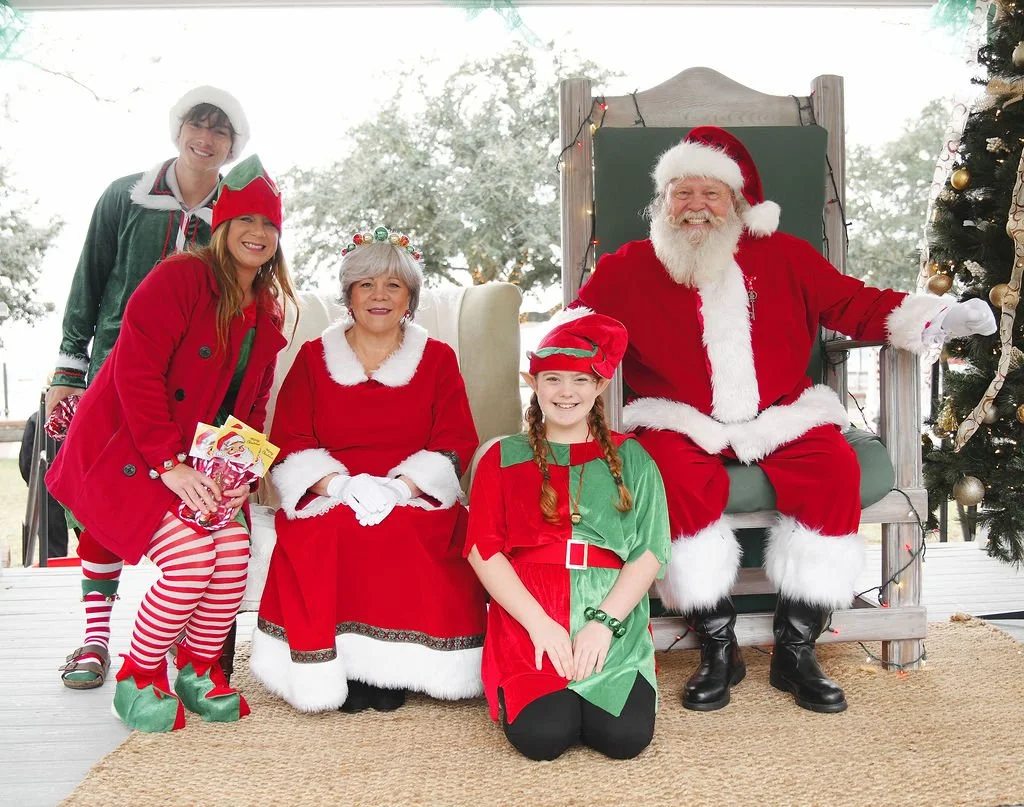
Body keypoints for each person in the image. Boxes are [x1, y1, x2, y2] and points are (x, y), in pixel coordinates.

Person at [570, 126, 997, 714]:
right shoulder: (631, 266)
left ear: (737, 202)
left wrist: (939, 317)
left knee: (831, 469)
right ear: (663, 201)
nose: (695, 206)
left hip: (780, 415)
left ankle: (798, 649)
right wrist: (563, 366)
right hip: (680, 421)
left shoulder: (787, 255)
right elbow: (578, 326)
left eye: (711, 193)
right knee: (666, 476)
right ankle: (717, 644)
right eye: (681, 192)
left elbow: (855, 303)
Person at [47, 155, 293, 732]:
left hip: (201, 464)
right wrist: (170, 466)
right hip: (128, 452)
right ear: (224, 225)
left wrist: (240, 476)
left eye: (270, 224)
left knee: (232, 556)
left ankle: (198, 670)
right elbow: (134, 375)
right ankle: (138, 676)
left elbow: (253, 403)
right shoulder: (180, 278)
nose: (258, 234)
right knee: (189, 558)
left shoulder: (265, 306)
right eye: (247, 220)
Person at [49, 86, 249, 691]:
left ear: (233, 145)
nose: (206, 138)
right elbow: (88, 280)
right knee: (101, 511)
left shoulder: (235, 216)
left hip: (193, 400)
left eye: (220, 131)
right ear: (178, 128)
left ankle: (182, 649)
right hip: (114, 378)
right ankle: (94, 638)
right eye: (198, 123)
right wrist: (67, 372)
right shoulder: (125, 197)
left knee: (187, 525)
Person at [250, 227, 487, 714]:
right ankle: (343, 666)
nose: (379, 295)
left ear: (409, 299)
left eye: (393, 286)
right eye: (366, 285)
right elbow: (290, 439)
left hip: (412, 490)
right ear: (349, 296)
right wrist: (339, 484)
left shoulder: (438, 359)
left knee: (406, 530)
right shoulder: (313, 358)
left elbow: (455, 439)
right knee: (333, 529)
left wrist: (401, 489)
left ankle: (393, 670)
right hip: (330, 487)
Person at [465, 313, 670, 761]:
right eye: (552, 378)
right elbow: (483, 550)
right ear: (533, 383)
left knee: (624, 739)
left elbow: (650, 550)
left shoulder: (633, 457)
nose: (565, 392)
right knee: (543, 737)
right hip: (531, 606)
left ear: (599, 386)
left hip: (608, 603)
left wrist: (603, 624)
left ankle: (609, 667)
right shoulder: (501, 457)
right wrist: (539, 624)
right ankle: (543, 685)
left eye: (580, 379)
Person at [18, 411, 71, 560]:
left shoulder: (38, 418)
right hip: (81, 487)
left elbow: (26, 461)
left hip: (48, 489)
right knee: (95, 550)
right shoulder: (86, 411)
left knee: (53, 550)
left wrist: (35, 486)